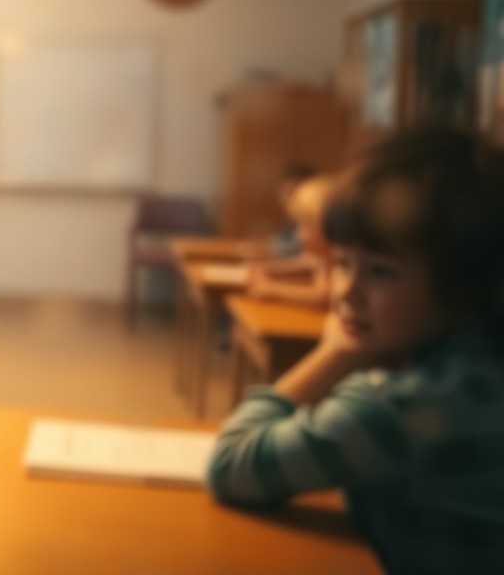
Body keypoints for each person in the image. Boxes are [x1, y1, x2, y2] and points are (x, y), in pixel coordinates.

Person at [208, 127, 504, 574]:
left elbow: (231, 466)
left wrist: (334, 353)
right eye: (342, 264)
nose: (346, 291)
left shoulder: (396, 409)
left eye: (380, 271)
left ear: (462, 287)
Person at [246, 175, 332, 309]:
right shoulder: (321, 256)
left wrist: (271, 288)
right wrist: (265, 269)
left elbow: (323, 296)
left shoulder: (333, 258)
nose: (297, 234)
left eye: (303, 225)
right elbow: (304, 262)